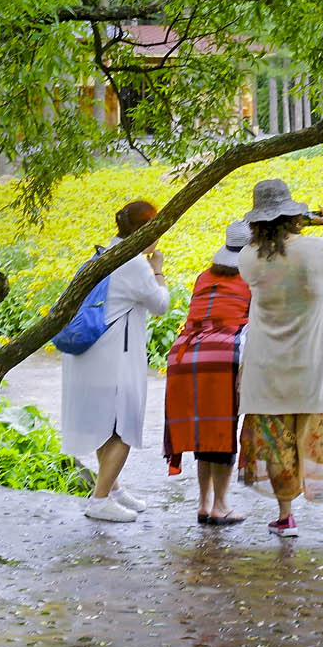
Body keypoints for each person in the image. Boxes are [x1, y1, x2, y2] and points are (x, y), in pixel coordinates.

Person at [236, 179, 323, 537]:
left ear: (256, 222)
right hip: (314, 366)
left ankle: (286, 517)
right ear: (294, 216)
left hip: (266, 368)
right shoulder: (317, 250)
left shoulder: (247, 258)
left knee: (278, 444)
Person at [61, 199, 171, 522]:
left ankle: (113, 489)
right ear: (146, 230)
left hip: (90, 355)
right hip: (114, 358)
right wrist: (158, 269)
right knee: (123, 427)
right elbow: (161, 305)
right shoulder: (135, 263)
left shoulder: (104, 253)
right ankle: (99, 501)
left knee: (104, 425)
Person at [163, 220, 252, 526]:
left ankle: (204, 503)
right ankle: (221, 505)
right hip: (223, 355)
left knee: (204, 434)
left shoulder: (204, 276)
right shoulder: (252, 277)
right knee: (223, 432)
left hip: (184, 355)